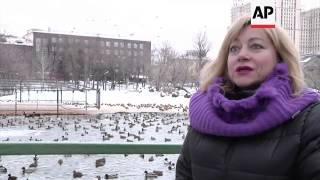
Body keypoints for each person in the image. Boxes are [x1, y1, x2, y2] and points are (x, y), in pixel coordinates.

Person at [176, 16, 320, 180]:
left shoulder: (309, 118)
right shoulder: (203, 112)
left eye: (256, 46)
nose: (242, 55)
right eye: (234, 49)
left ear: (280, 56)